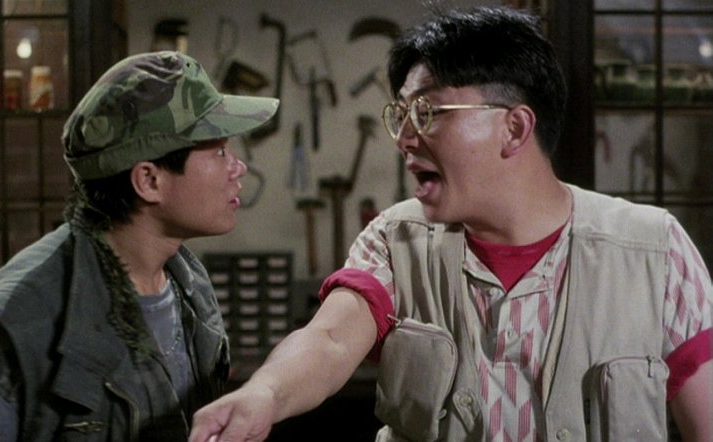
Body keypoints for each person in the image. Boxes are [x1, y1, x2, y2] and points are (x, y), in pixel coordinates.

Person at [190, 6, 711, 442]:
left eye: (428, 113)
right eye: (401, 115)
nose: (405, 138)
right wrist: (265, 394)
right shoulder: (395, 240)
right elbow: (329, 339)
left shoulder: (655, 250)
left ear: (514, 127)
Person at [0, 50, 279, 441]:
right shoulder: (17, 323)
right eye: (219, 151)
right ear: (149, 180)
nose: (238, 168)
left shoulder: (187, 283)